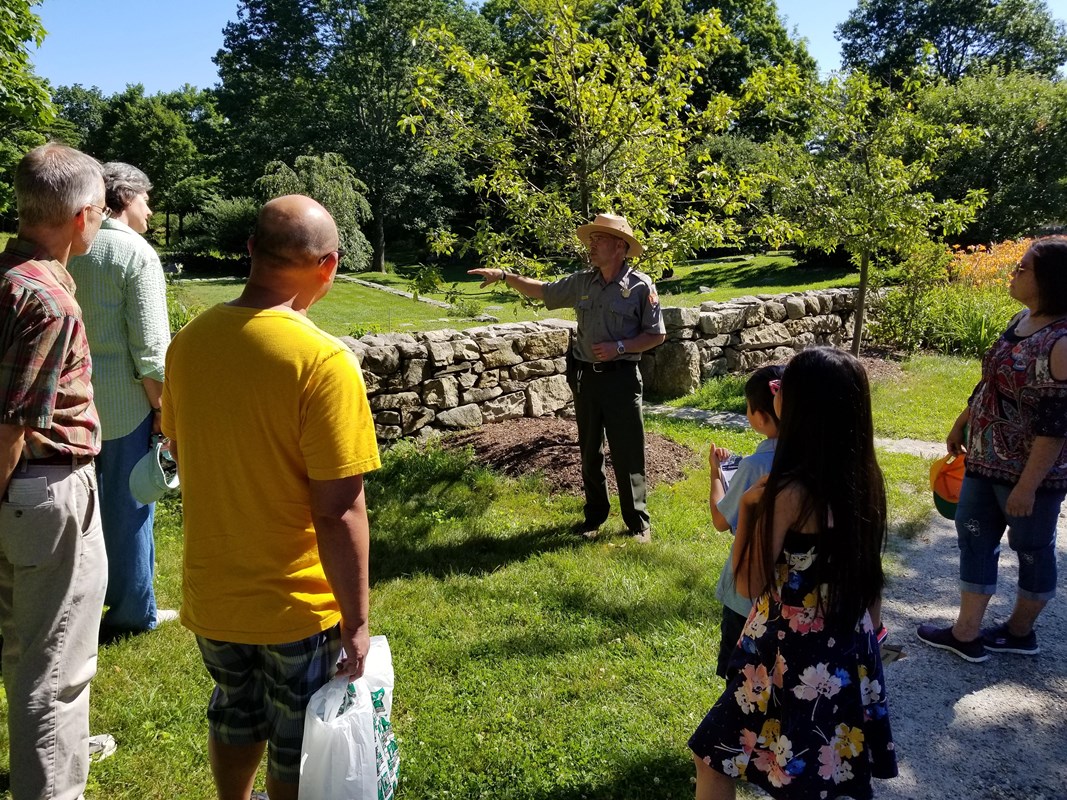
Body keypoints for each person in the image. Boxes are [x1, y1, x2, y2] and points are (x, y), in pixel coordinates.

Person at [161, 195, 381, 800]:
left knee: (235, 710)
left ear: (252, 249)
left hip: (213, 594)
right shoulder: (324, 362)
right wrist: (357, 624)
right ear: (329, 266)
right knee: (295, 739)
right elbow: (339, 509)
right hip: (295, 605)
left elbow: (181, 449)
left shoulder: (190, 342)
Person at [689, 347, 896, 800]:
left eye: (785, 386)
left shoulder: (785, 492)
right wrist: (872, 639)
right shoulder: (863, 477)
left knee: (715, 756)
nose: (776, 391)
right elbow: (869, 572)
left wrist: (746, 506)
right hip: (846, 643)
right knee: (820, 772)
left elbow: (748, 584)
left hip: (788, 650)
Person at [0, 143, 110, 800]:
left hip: (23, 494)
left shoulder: (10, 277)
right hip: (43, 492)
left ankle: (56, 751)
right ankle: (51, 783)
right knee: (56, 670)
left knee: (29, 649)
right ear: (83, 216)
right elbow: (12, 423)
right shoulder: (47, 302)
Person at [468, 213, 666, 541]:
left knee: (628, 451)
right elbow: (542, 291)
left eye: (598, 239)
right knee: (590, 450)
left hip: (622, 379)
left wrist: (620, 346)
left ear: (620, 246)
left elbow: (655, 335)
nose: (591, 245)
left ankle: (638, 523)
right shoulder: (582, 282)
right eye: (591, 239)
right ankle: (594, 517)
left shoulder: (641, 287)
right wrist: (505, 276)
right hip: (586, 378)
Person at [918, 237, 1067, 662]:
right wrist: (963, 420)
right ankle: (966, 633)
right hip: (984, 461)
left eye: (1023, 268)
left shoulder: (1060, 342)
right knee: (973, 537)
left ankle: (1021, 633)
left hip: (1029, 476)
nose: (1014, 272)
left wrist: (1027, 487)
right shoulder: (1023, 319)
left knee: (1033, 549)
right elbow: (991, 383)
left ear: (1049, 281)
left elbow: (1056, 428)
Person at [67, 162, 175, 641]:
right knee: (131, 507)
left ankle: (80, 604)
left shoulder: (71, 246)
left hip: (70, 405)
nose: (150, 209)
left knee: (80, 512)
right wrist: (163, 412)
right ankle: (133, 611)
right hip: (128, 406)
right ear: (126, 197)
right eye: (146, 199)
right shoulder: (135, 252)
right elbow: (152, 352)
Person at [707, 365, 783, 680]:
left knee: (736, 678)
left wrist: (715, 473)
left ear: (761, 416)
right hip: (786, 598)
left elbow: (721, 520)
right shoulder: (810, 457)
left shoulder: (753, 467)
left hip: (746, 597)